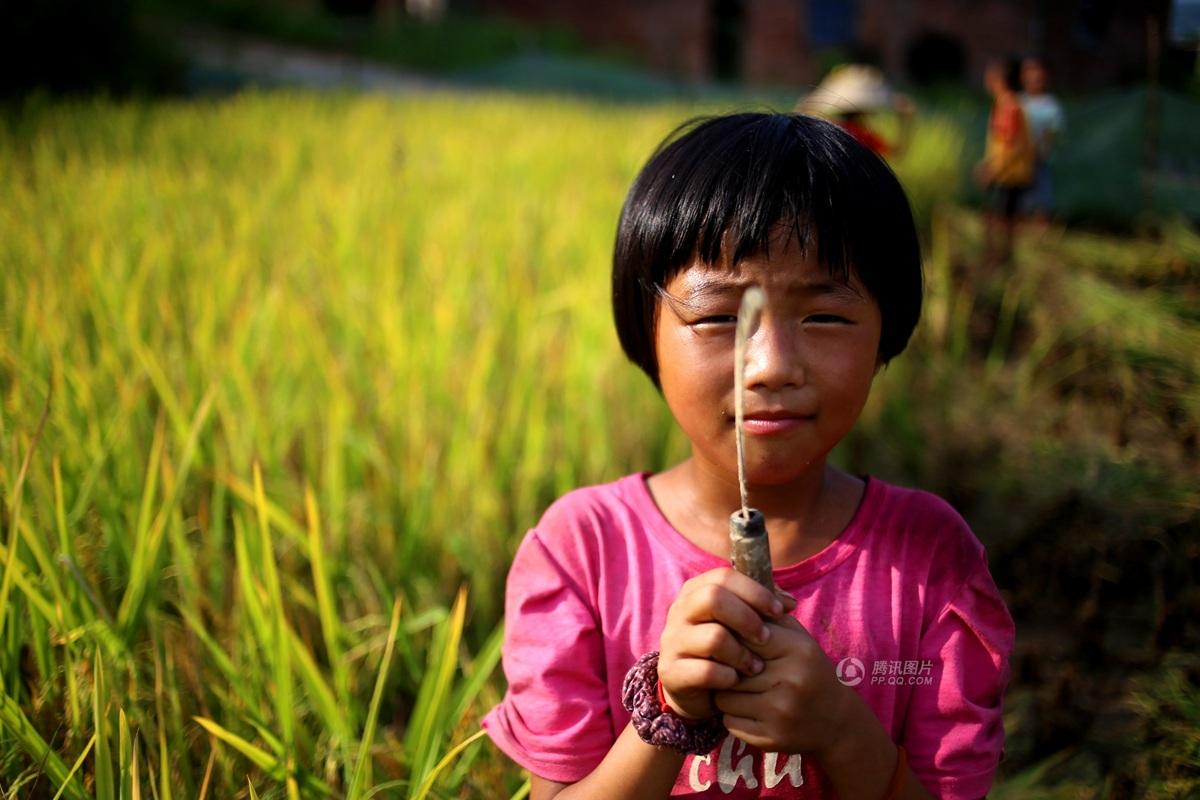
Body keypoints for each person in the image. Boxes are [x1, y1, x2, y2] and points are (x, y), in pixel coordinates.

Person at [483, 113, 1014, 799]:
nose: (769, 366)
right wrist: (667, 715)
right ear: (646, 332)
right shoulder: (581, 553)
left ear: (889, 332)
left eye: (823, 317)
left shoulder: (932, 561)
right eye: (719, 319)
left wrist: (840, 729)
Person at [975, 57, 1034, 267]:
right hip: (1010, 172)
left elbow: (1012, 147)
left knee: (999, 222)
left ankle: (998, 261)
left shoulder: (1008, 107)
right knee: (1004, 222)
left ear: (998, 80)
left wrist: (992, 169)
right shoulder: (1010, 104)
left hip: (1008, 174)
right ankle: (1003, 260)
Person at [796, 64, 915, 159]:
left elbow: (800, 143)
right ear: (865, 111)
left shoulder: (828, 130)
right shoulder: (865, 136)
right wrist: (905, 121)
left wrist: (806, 106)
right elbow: (897, 152)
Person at [1019, 56, 1065, 226]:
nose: (1035, 80)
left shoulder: (1051, 105)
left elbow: (1054, 133)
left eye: (1039, 77)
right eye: (1031, 75)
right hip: (1018, 162)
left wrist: (1040, 148)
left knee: (1041, 199)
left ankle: (1040, 232)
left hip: (1039, 160)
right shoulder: (1018, 101)